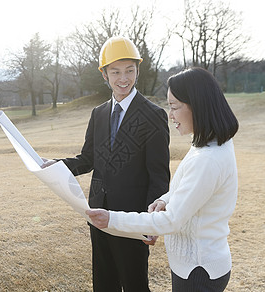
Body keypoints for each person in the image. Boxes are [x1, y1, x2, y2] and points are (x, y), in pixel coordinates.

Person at [87, 67, 239, 292]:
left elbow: (170, 221)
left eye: (175, 107)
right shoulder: (209, 144)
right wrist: (167, 199)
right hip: (196, 267)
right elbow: (192, 189)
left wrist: (111, 220)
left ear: (197, 105)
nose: (170, 115)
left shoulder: (208, 158)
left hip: (198, 272)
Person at [42, 36, 170, 292]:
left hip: (132, 218)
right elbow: (88, 159)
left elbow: (158, 174)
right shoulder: (98, 113)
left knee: (134, 284)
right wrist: (55, 166)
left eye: (130, 71)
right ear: (104, 75)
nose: (123, 78)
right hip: (98, 213)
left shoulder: (153, 116)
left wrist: (152, 220)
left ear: (137, 70)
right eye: (116, 72)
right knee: (103, 282)